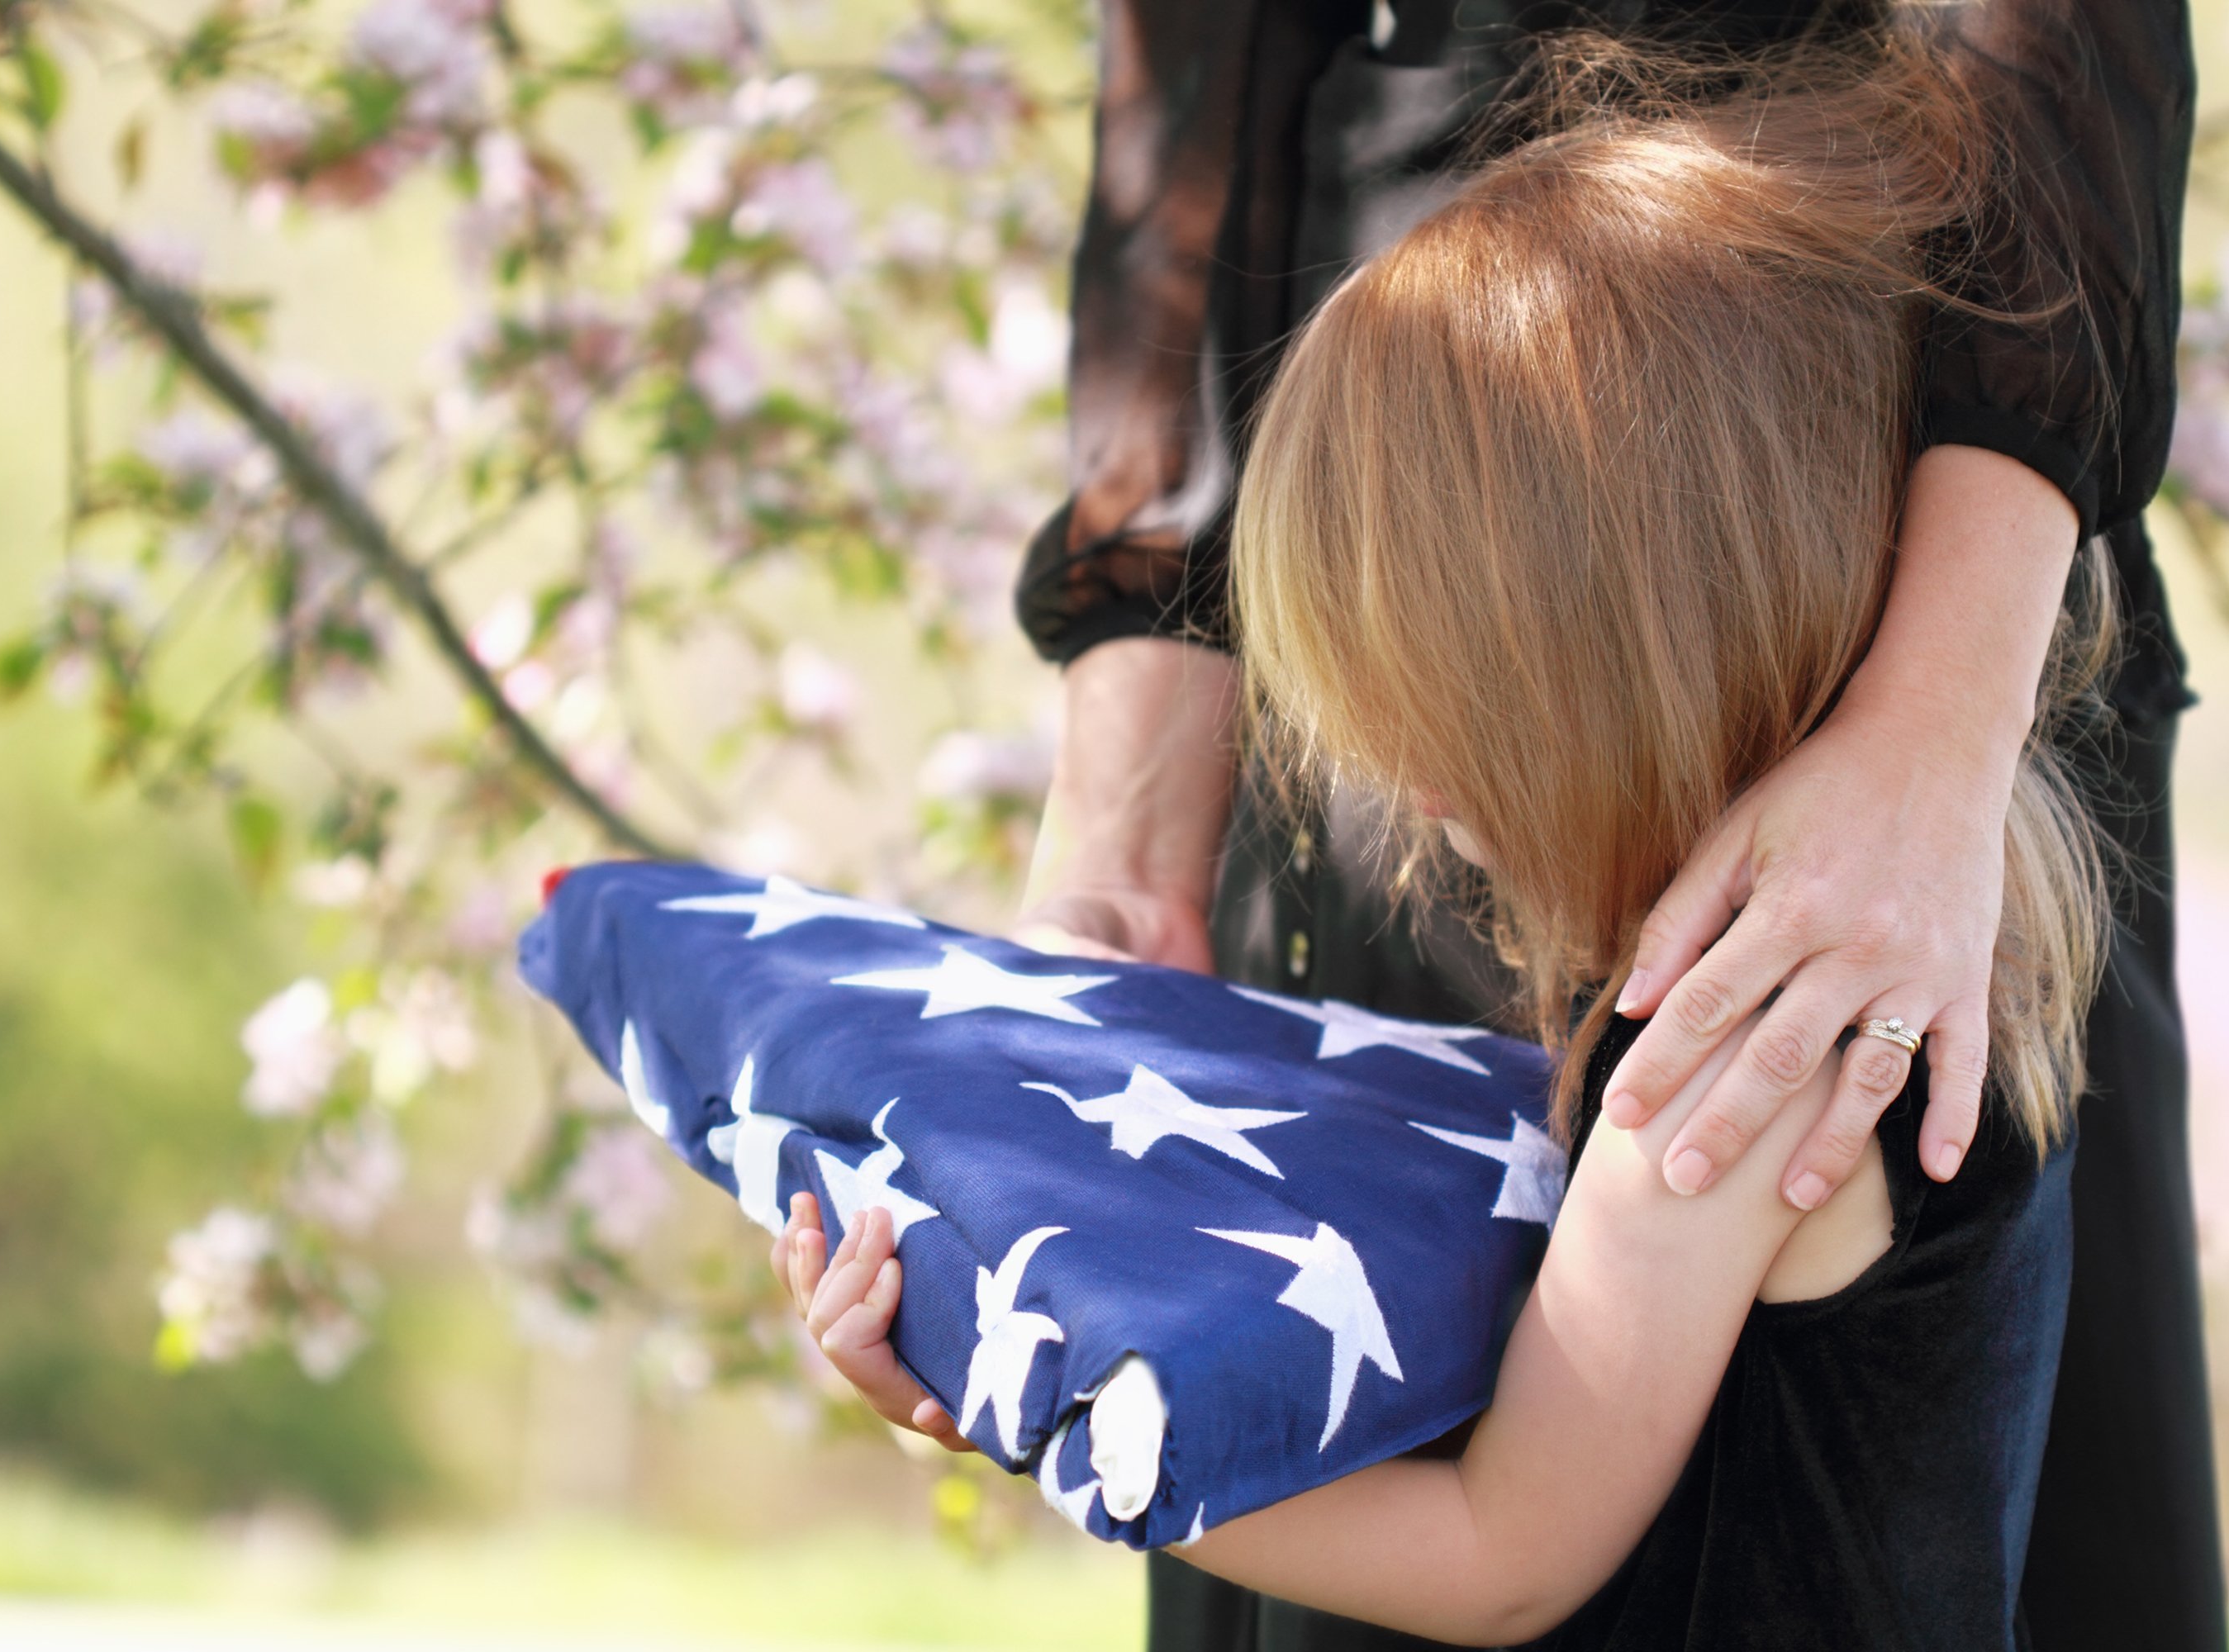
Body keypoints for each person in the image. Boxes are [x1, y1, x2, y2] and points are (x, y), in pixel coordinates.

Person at [775, 24, 2133, 1640]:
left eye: (1434, 706)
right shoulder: (1936, 958)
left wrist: (1046, 1419)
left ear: (1605, 679)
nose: (1406, 787)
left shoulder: (1735, 1069)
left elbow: (1500, 1554)